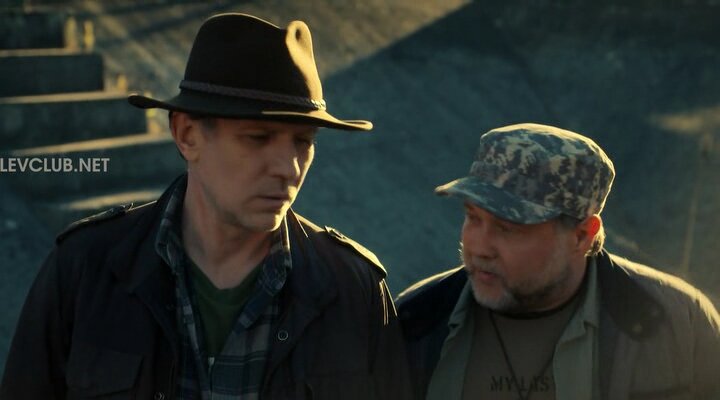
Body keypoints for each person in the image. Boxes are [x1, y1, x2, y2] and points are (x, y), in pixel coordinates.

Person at [1, 13, 411, 400]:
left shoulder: (354, 289)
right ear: (187, 135)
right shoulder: (84, 270)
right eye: (258, 138)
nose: (288, 168)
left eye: (303, 142)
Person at [396, 123, 720, 400]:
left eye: (508, 228)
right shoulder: (416, 321)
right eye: (473, 217)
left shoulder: (676, 326)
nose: (479, 247)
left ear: (581, 235)